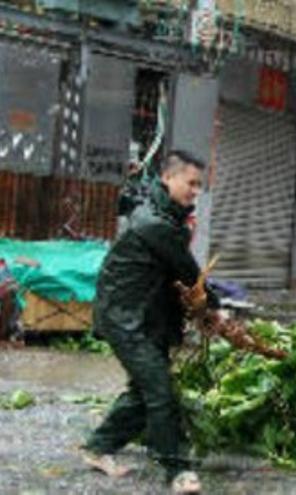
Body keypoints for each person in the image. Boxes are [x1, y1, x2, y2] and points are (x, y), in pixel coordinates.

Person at [80, 150, 218, 494]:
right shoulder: (153, 223)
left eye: (200, 186)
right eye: (191, 183)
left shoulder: (167, 218)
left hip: (147, 317)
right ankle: (177, 470)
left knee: (143, 392)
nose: (195, 191)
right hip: (126, 319)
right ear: (168, 178)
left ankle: (98, 447)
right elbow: (188, 271)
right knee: (159, 391)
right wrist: (216, 308)